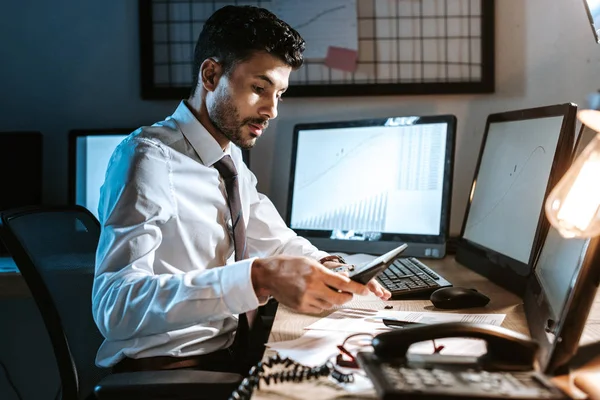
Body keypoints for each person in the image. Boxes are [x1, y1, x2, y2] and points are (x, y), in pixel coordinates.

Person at [91, 5, 391, 375]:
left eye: (279, 94)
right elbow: (114, 306)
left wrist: (336, 267)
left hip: (230, 357)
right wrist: (257, 277)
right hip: (168, 372)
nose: (272, 110)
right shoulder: (148, 158)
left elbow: (278, 241)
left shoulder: (229, 158)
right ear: (212, 74)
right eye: (259, 89)